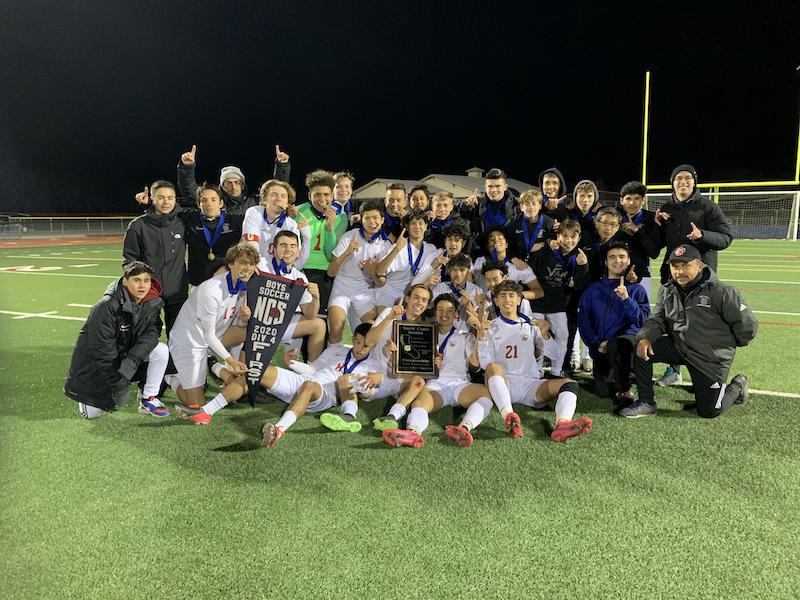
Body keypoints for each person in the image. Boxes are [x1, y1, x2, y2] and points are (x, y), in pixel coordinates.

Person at [621, 244, 756, 419]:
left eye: (686, 265)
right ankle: (646, 403)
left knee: (709, 411)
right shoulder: (668, 290)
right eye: (675, 266)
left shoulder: (722, 292)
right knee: (640, 346)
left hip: (708, 357)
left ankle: (737, 386)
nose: (679, 271)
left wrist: (723, 347)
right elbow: (658, 319)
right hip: (680, 347)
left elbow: (748, 326)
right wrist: (645, 337)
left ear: (699, 266)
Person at [470, 280, 592, 442]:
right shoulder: (490, 327)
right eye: (503, 296)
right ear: (496, 302)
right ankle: (509, 416)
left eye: (512, 295)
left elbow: (555, 356)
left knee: (569, 383)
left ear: (519, 300)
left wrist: (545, 336)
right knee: (493, 366)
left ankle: (562, 424)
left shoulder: (532, 326)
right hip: (503, 385)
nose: (508, 300)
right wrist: (482, 336)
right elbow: (485, 364)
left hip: (531, 385)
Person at [652, 164, 734, 387]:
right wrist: (657, 226)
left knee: (700, 325)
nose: (683, 182)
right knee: (671, 321)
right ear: (672, 182)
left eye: (688, 178)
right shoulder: (667, 207)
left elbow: (726, 238)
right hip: (673, 275)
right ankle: (673, 370)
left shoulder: (708, 207)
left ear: (694, 181)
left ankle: (705, 373)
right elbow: (659, 244)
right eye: (678, 178)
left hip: (701, 279)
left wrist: (702, 235)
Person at [381, 294, 498, 448]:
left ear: (456, 314)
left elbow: (475, 364)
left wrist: (478, 334)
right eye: (440, 309)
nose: (444, 314)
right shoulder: (423, 334)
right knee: (419, 403)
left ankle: (464, 428)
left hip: (460, 383)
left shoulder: (465, 336)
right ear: (435, 312)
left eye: (449, 310)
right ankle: (413, 432)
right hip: (435, 385)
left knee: (486, 394)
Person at [64, 261, 170, 419]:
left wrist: (132, 360)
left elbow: (152, 332)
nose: (142, 286)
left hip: (123, 358)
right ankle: (90, 395)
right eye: (137, 280)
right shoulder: (106, 307)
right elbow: (103, 351)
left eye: (146, 280)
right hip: (95, 367)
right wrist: (118, 383)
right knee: (93, 414)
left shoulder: (152, 302)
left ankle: (148, 398)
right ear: (126, 281)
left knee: (161, 350)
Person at [168, 244, 258, 425]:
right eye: (242, 263)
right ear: (231, 264)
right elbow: (209, 335)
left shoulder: (244, 286)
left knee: (250, 330)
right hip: (190, 342)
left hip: (215, 337)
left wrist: (245, 318)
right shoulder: (211, 290)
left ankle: (217, 366)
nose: (247, 268)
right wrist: (231, 361)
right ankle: (170, 378)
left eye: (251, 264)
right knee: (196, 403)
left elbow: (232, 322)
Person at [260, 323, 382, 446]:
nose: (360, 348)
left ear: (372, 345)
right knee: (260, 371)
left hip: (324, 394)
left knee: (309, 385)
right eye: (357, 342)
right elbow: (314, 369)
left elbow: (370, 391)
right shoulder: (336, 350)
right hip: (305, 380)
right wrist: (292, 364)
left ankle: (278, 429)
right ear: (352, 339)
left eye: (365, 345)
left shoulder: (373, 366)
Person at [578, 241, 650, 403]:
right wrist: (597, 343)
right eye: (612, 257)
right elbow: (584, 321)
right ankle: (615, 380)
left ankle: (626, 387)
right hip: (601, 349)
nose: (617, 261)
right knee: (603, 392)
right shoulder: (592, 289)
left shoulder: (637, 290)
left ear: (629, 260)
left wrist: (626, 299)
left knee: (618, 347)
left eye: (622, 257)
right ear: (605, 261)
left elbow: (641, 322)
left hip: (624, 350)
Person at [123, 180, 188, 334]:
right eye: (161, 197)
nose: (166, 202)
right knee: (148, 335)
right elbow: (129, 260)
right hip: (149, 292)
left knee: (178, 336)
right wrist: (140, 285)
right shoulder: (138, 226)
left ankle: (174, 360)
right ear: (152, 198)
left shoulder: (183, 222)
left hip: (177, 291)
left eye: (170, 198)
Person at [326, 199, 392, 344]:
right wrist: (347, 253)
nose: (371, 222)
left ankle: (361, 362)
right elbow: (331, 272)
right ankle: (332, 362)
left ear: (382, 220)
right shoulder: (350, 236)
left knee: (371, 331)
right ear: (361, 219)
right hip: (342, 285)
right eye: (367, 218)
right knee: (336, 325)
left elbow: (381, 283)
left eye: (375, 217)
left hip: (365, 289)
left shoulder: (386, 245)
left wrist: (371, 271)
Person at [530, 219, 590, 376]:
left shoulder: (579, 257)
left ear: (579, 237)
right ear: (558, 236)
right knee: (535, 335)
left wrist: (583, 267)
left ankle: (557, 370)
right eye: (565, 236)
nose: (569, 240)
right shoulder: (546, 250)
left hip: (558, 304)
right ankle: (536, 370)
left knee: (563, 335)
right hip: (536, 302)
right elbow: (531, 274)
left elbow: (578, 284)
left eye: (573, 237)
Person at [258, 230, 326, 361]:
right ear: (274, 249)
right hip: (258, 322)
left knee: (319, 324)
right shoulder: (261, 265)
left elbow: (310, 314)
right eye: (283, 245)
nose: (288, 249)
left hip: (283, 322)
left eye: (293, 246)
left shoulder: (300, 277)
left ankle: (313, 370)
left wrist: (316, 298)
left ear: (298, 252)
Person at [176, 143, 290, 216]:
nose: (233, 186)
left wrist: (282, 166)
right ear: (222, 187)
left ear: (243, 185)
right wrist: (187, 167)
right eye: (228, 183)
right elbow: (190, 191)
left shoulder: (255, 202)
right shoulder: (216, 202)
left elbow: (278, 189)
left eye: (237, 182)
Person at [295, 169, 348, 314]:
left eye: (326, 194)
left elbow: (331, 255)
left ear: (332, 195)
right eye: (317, 194)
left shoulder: (341, 217)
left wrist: (330, 227)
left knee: (319, 316)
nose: (322, 199)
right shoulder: (298, 212)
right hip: (299, 269)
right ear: (309, 195)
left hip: (324, 272)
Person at [374, 209, 440, 309]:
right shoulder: (399, 246)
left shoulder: (431, 250)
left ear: (426, 226)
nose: (417, 227)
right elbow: (379, 271)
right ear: (407, 227)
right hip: (389, 296)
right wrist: (396, 249)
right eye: (413, 223)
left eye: (420, 223)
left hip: (415, 298)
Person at [182, 183, 243, 287]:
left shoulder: (235, 220)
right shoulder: (190, 219)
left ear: (221, 203)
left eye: (213, 199)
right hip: (198, 283)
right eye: (204, 200)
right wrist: (145, 204)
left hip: (227, 279)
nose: (209, 204)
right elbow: (167, 213)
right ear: (198, 204)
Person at [617, 181, 661, 295]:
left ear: (643, 200)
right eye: (628, 198)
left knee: (642, 312)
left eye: (637, 198)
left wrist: (637, 231)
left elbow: (654, 252)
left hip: (641, 275)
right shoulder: (615, 217)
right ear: (621, 200)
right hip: (615, 276)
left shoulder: (652, 219)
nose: (632, 202)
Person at [459, 168, 520, 240]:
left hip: (508, 249)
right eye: (490, 186)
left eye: (498, 186)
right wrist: (465, 206)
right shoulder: (476, 204)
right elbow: (460, 219)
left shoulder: (517, 205)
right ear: (485, 188)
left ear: (505, 187)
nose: (494, 190)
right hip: (482, 248)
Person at [508, 188, 556, 263]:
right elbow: (507, 242)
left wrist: (543, 244)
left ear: (540, 206)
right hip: (517, 263)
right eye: (527, 203)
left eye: (534, 203)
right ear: (521, 207)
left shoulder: (549, 222)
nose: (531, 207)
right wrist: (513, 259)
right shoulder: (514, 221)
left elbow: (553, 241)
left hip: (541, 263)